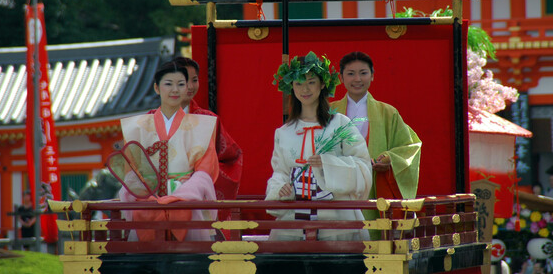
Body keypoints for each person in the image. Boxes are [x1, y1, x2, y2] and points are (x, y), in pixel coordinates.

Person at [266, 51, 372, 241]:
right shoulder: (284, 132)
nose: (304, 89)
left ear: (322, 84)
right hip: (294, 221)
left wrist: (328, 165)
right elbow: (280, 172)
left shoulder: (341, 124)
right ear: (291, 86)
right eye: (298, 83)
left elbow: (363, 166)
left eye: (311, 82)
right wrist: (281, 189)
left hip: (337, 221)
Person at [118, 61, 220, 241]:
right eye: (168, 84)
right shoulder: (137, 128)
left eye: (181, 84)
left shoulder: (201, 127)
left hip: (187, 204)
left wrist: (181, 194)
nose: (175, 90)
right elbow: (132, 173)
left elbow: (204, 173)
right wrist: (149, 196)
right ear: (157, 88)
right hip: (148, 203)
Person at [330, 51, 422, 216]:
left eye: (363, 73)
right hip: (339, 185)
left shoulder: (387, 112)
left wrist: (390, 158)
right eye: (351, 74)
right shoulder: (330, 112)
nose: (357, 79)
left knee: (373, 228)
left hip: (373, 184)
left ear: (372, 76)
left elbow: (409, 147)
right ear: (341, 78)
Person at [171, 57, 243, 206]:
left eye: (194, 80)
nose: (190, 86)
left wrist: (199, 178)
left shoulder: (209, 119)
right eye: (184, 80)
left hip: (197, 196)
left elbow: (231, 159)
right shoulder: (150, 119)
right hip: (161, 195)